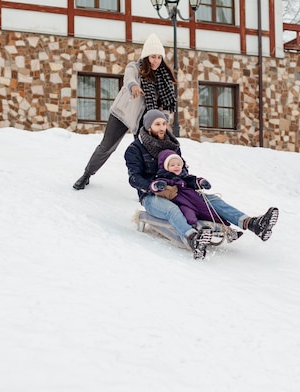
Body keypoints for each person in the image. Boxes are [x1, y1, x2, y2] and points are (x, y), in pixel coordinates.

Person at [124, 109, 279, 259]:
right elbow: (134, 178)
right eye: (157, 124)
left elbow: (181, 171)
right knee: (172, 210)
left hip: (180, 192)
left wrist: (196, 182)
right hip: (152, 196)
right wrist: (154, 186)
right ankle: (192, 238)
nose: (162, 128)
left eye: (164, 124)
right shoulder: (135, 149)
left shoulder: (172, 146)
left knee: (213, 200)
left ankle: (252, 223)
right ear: (148, 126)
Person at [73, 33, 177, 190]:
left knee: (147, 153)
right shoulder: (134, 67)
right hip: (122, 114)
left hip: (145, 120)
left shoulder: (163, 79)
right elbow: (129, 78)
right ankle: (87, 174)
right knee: (107, 146)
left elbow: (165, 105)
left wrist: (163, 120)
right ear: (146, 56)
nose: (156, 61)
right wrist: (134, 86)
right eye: (152, 57)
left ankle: (147, 186)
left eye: (159, 57)